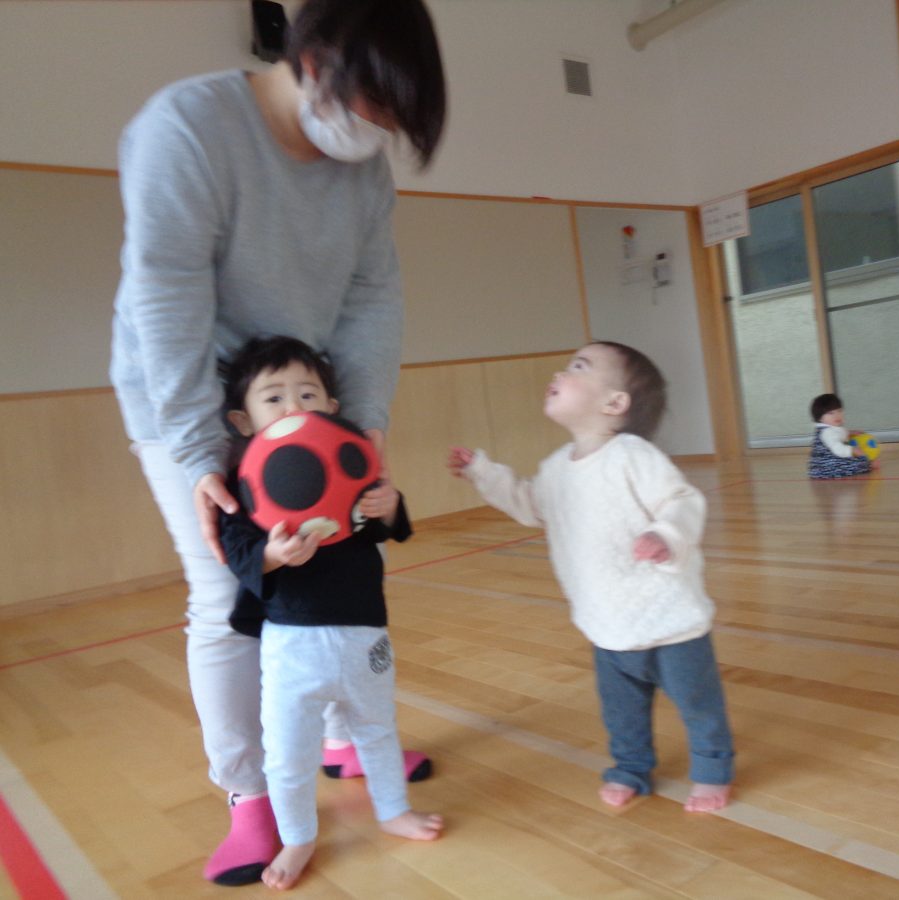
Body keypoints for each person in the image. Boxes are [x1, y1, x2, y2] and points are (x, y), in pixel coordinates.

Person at [108, 0, 446, 885]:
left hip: (302, 403)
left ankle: (344, 740)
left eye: (392, 120)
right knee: (230, 588)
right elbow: (167, 295)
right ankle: (249, 794)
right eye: (371, 106)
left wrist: (362, 423)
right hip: (191, 400)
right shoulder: (188, 128)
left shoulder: (364, 174)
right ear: (317, 61)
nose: (375, 134)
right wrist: (197, 454)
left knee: (333, 556)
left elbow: (373, 295)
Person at [447, 342, 735, 813]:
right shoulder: (556, 467)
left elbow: (682, 501)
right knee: (621, 712)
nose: (560, 373)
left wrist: (665, 535)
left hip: (669, 619)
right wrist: (483, 472)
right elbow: (530, 503)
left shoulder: (633, 455)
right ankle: (630, 768)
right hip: (607, 622)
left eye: (579, 367)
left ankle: (712, 770)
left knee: (698, 703)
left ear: (614, 403)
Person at [218, 336, 442, 890]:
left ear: (332, 408)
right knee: (287, 755)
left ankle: (393, 810)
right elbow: (238, 550)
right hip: (292, 644)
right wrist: (272, 555)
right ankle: (298, 837)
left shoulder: (352, 465)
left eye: (307, 393)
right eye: (274, 397)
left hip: (365, 636)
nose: (294, 406)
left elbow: (388, 528)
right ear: (243, 420)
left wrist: (389, 506)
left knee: (378, 731)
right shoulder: (242, 484)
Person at [808, 393, 876, 479]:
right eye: (831, 413)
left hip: (821, 466)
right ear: (820, 418)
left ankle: (868, 463)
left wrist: (849, 432)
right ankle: (870, 464)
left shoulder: (828, 428)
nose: (837, 415)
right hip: (829, 468)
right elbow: (838, 448)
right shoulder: (827, 432)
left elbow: (839, 433)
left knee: (854, 459)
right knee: (858, 463)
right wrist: (852, 450)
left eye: (839, 411)